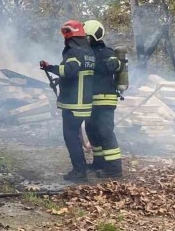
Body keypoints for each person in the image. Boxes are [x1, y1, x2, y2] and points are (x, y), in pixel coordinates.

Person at [40, 20, 96, 181]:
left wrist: (50, 68)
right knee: (75, 135)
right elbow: (79, 75)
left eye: (66, 33)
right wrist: (60, 80)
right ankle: (81, 168)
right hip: (85, 102)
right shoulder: (88, 52)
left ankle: (79, 171)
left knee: (71, 137)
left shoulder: (73, 52)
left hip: (74, 104)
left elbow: (69, 71)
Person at [83, 20, 123, 178]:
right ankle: (99, 163)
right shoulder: (88, 54)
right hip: (92, 100)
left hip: (105, 100)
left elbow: (117, 64)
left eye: (86, 37)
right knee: (92, 131)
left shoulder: (106, 52)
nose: (84, 40)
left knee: (105, 132)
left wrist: (115, 63)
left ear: (93, 36)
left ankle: (114, 169)